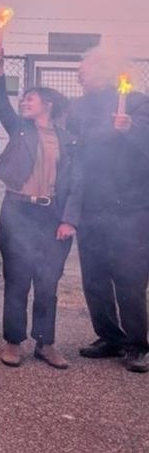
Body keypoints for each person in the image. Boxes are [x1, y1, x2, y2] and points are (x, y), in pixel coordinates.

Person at [0, 46, 78, 369]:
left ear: (48, 105)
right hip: (18, 213)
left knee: (48, 283)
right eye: (23, 99)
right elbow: (1, 105)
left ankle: (45, 343)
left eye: (31, 99)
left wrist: (69, 220)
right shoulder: (20, 129)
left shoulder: (68, 139)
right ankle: (13, 342)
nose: (25, 102)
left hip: (52, 216)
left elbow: (76, 184)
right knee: (18, 281)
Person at [66, 51, 149, 373]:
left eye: (82, 70)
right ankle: (109, 337)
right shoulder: (79, 108)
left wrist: (129, 130)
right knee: (95, 279)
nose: (79, 76)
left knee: (129, 279)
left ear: (105, 70)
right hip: (92, 207)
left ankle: (138, 345)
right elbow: (75, 143)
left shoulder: (138, 102)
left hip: (131, 208)